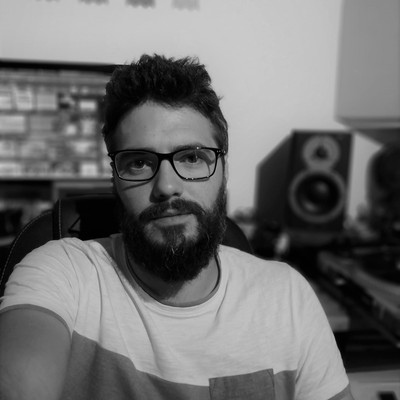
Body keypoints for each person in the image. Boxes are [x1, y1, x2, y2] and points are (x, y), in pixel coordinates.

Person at [0, 54, 354, 400]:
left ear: (223, 171)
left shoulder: (288, 297)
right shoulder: (60, 272)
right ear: (115, 179)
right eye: (139, 163)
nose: (167, 186)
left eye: (192, 158)